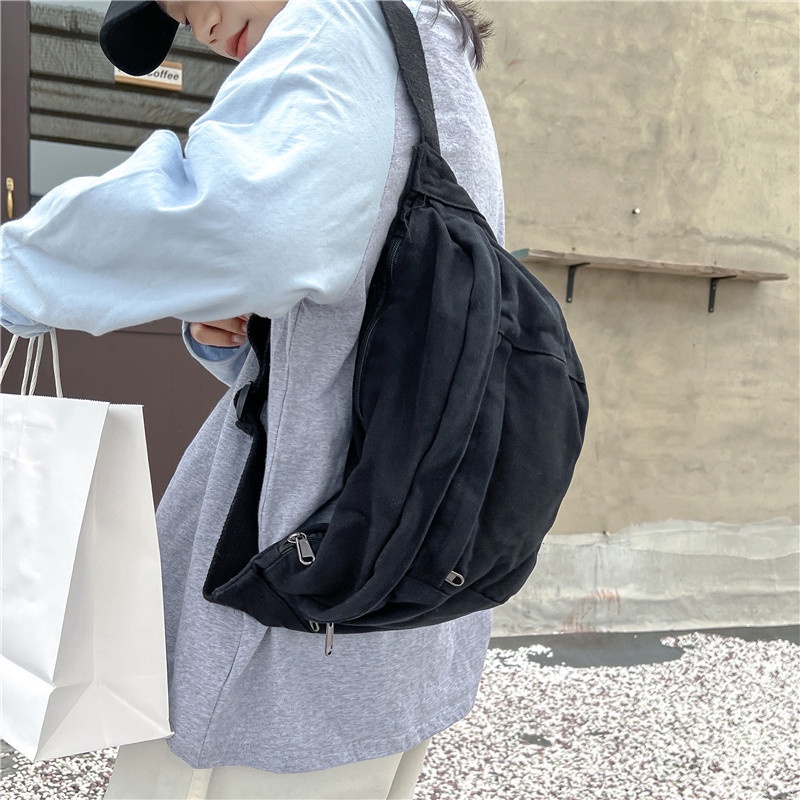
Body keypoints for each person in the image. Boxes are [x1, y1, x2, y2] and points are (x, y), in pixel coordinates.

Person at [0, 1, 504, 797]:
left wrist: (16, 272)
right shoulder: (430, 60)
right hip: (392, 605)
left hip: (281, 612)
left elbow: (235, 223)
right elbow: (384, 348)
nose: (198, 26)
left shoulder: (335, 21)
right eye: (179, 20)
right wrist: (245, 336)